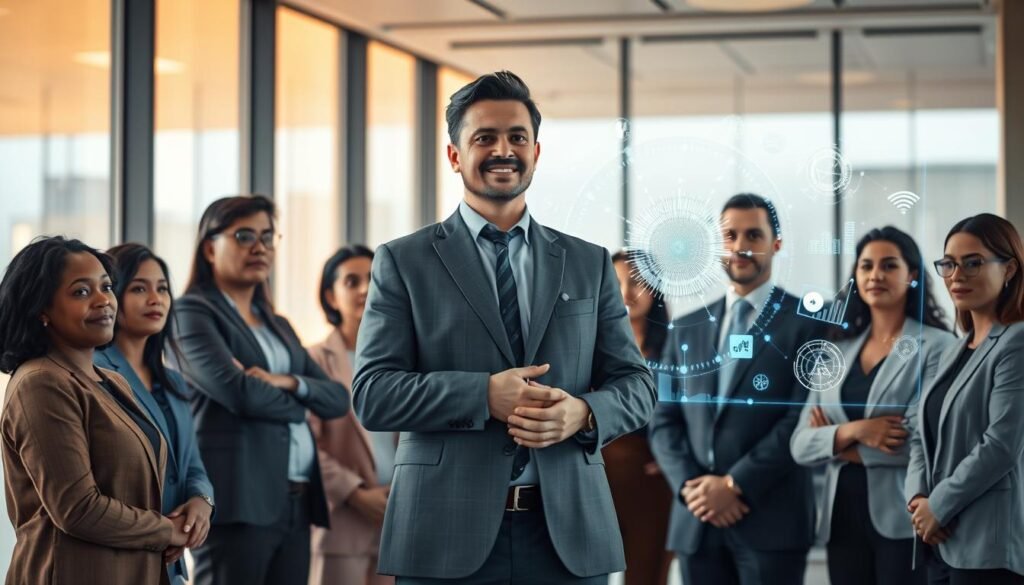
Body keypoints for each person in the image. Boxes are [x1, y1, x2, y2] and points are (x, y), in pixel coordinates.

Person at [351, 71, 656, 585]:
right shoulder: (403, 262)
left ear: (535, 152)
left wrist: (584, 413)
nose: (503, 150)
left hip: (567, 536)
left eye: (517, 137)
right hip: (442, 533)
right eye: (484, 138)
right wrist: (483, 396)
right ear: (454, 155)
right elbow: (373, 394)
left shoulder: (588, 263)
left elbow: (638, 386)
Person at [171, 195, 350, 585]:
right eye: (244, 236)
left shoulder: (278, 323)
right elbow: (239, 393)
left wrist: (288, 382)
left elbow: (338, 399)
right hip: (239, 499)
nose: (260, 247)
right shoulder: (191, 313)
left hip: (296, 499)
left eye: (268, 237)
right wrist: (302, 403)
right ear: (209, 248)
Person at [649, 193, 824, 585]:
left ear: (776, 244)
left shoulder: (808, 324)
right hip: (697, 520)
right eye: (730, 235)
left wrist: (735, 485)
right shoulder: (686, 328)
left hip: (771, 519)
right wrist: (692, 488)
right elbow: (663, 420)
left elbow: (801, 417)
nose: (740, 246)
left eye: (754, 235)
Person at [0, 236, 189, 585]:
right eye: (81, 292)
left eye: (106, 287)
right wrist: (166, 530)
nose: (104, 300)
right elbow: (77, 508)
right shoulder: (41, 383)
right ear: (41, 310)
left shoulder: (112, 380)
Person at [790, 227, 954, 585]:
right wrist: (857, 431)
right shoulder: (836, 350)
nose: (875, 275)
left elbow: (921, 445)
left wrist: (834, 442)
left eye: (888, 265)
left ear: (912, 275)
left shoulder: (937, 347)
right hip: (841, 519)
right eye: (866, 266)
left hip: (904, 518)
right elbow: (800, 445)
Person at [906, 213, 1024, 585]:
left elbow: (1001, 445)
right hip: (939, 539)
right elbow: (919, 433)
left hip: (987, 545)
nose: (957, 275)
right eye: (949, 264)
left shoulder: (1017, 342)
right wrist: (918, 500)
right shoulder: (954, 349)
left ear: (1009, 269)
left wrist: (939, 506)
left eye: (973, 263)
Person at [94, 243, 216, 585]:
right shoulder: (95, 373)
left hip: (170, 562)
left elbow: (192, 463)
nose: (155, 299)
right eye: (139, 289)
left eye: (162, 289)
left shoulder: (174, 381)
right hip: (120, 557)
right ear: (113, 296)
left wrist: (202, 500)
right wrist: (164, 529)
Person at [307, 244, 395, 585]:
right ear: (331, 296)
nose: (364, 289)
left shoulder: (403, 361)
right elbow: (307, 445)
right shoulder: (313, 361)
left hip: (398, 517)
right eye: (351, 281)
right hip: (341, 522)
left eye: (373, 278)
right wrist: (355, 493)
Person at [604, 250, 674, 585]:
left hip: (651, 477)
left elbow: (693, 413)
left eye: (636, 282)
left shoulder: (676, 347)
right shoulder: (590, 344)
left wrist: (674, 456)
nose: (626, 292)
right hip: (597, 475)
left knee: (646, 574)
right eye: (616, 282)